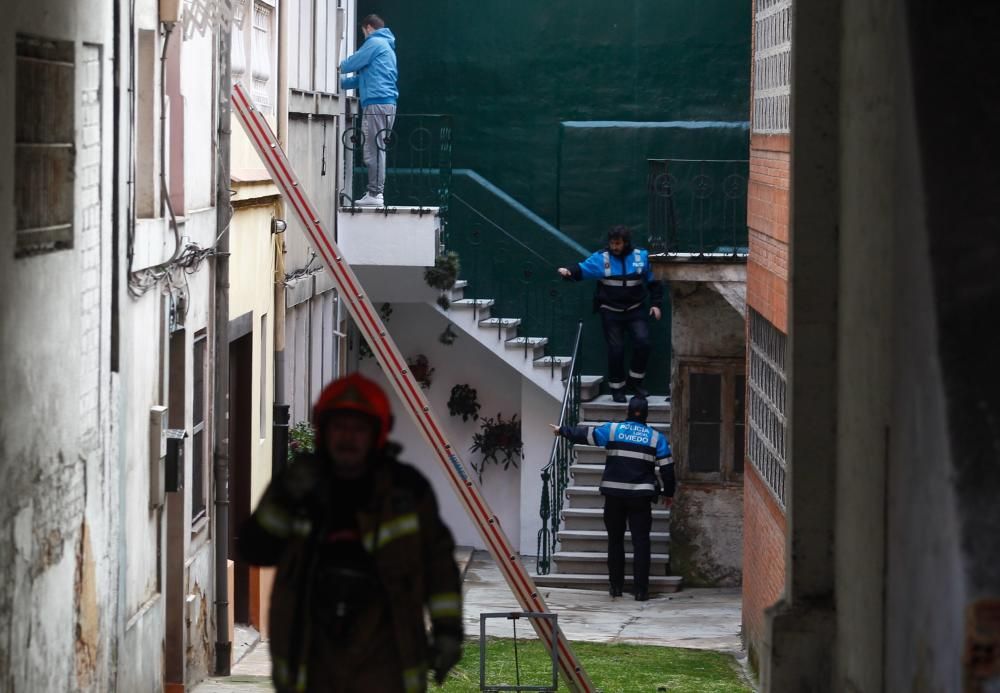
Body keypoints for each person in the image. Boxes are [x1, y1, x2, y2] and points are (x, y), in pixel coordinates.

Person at [239, 373, 463, 693]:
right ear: (323, 430)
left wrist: (447, 632)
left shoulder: (407, 492)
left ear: (377, 433)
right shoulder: (300, 485)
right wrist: (286, 497)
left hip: (385, 651)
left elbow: (439, 567)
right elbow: (254, 549)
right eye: (339, 427)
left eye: (358, 428)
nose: (348, 437)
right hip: (313, 652)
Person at [552, 396, 673, 601]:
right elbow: (668, 469)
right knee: (641, 543)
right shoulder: (656, 438)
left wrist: (562, 430)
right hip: (640, 497)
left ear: (628, 411)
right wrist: (668, 492)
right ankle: (641, 591)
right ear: (645, 414)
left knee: (615, 541)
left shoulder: (614, 430)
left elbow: (586, 435)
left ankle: (616, 587)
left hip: (614, 495)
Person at [558, 225, 664, 402]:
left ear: (626, 243)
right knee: (616, 350)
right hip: (610, 311)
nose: (614, 247)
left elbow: (654, 282)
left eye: (618, 244)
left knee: (643, 343)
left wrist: (656, 305)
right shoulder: (602, 258)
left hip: (635, 309)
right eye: (612, 243)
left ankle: (635, 382)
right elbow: (582, 268)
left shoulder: (641, 256)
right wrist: (568, 271)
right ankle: (617, 389)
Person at [339, 14, 398, 207]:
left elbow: (351, 64)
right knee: (378, 146)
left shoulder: (374, 43)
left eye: (364, 32)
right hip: (386, 103)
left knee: (373, 148)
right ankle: (375, 192)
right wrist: (342, 83)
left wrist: (337, 66)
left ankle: (375, 193)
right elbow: (364, 77)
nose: (364, 37)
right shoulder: (387, 47)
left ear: (369, 28)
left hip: (376, 104)